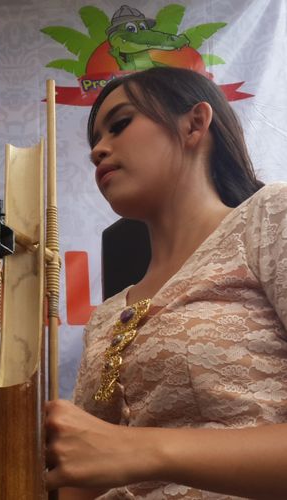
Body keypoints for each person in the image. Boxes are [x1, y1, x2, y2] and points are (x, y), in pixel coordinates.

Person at [45, 67, 287, 499]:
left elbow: (119, 451)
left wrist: (145, 450)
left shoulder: (270, 218)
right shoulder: (105, 317)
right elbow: (84, 470)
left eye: (120, 125)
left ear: (195, 123)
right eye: (94, 143)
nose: (99, 150)